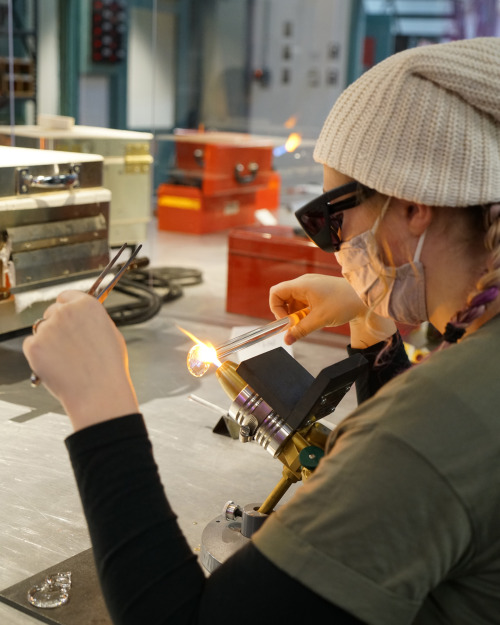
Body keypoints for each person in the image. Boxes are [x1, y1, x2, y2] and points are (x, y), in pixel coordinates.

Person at [22, 36, 500, 625]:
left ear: (412, 205)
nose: (328, 245)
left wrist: (100, 405)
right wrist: (373, 321)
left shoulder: (439, 423)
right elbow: (421, 498)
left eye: (331, 220)